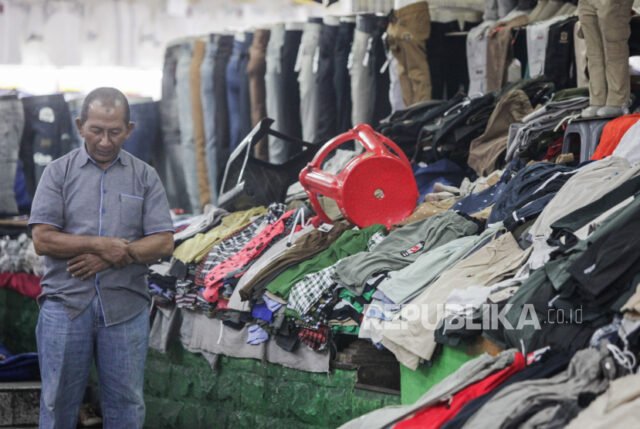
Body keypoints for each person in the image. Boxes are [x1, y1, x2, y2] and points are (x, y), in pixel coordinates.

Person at [29, 87, 174, 429]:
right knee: (57, 405)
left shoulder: (145, 176)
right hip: (65, 306)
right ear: (80, 126)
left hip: (125, 308)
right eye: (96, 130)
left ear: (129, 129)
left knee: (126, 405)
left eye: (114, 131)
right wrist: (98, 245)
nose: (106, 141)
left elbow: (164, 242)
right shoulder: (57, 173)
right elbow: (42, 239)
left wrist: (113, 256)